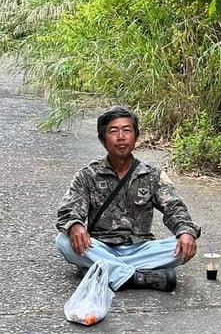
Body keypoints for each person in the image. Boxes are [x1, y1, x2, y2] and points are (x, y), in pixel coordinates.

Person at [55, 106, 201, 291]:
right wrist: (75, 225)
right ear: (102, 139)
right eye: (113, 131)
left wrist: (185, 232)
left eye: (127, 130)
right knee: (63, 241)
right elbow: (69, 210)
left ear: (136, 136)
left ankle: (101, 269)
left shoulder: (152, 175)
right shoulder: (88, 175)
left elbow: (175, 208)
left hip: (140, 248)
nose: (121, 137)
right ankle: (134, 276)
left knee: (180, 247)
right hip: (99, 246)